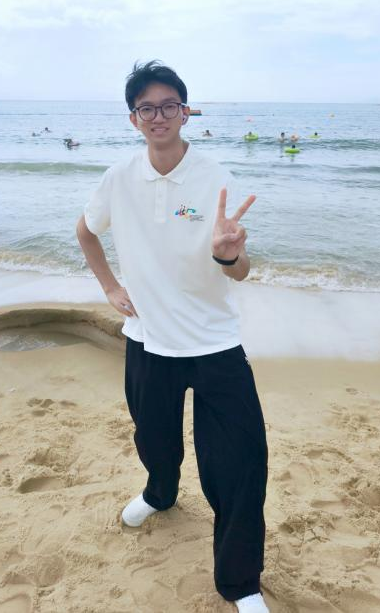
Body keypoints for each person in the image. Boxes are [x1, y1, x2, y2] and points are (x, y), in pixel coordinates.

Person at [77, 61, 269, 612]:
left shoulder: (215, 178)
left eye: (168, 106)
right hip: (148, 343)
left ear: (185, 112)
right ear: (133, 118)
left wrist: (229, 255)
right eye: (147, 108)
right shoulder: (119, 178)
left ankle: (241, 584)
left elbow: (240, 271)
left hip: (214, 345)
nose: (157, 116)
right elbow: (86, 231)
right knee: (155, 443)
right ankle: (160, 494)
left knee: (240, 463)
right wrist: (111, 287)